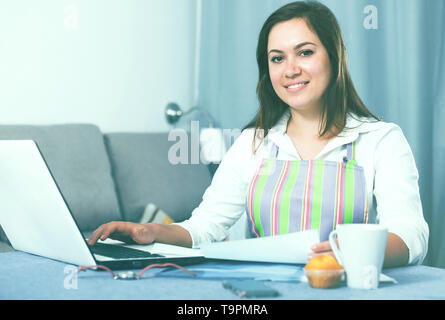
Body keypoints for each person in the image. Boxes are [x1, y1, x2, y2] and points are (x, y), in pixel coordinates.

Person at [88, 1, 428, 267]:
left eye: (305, 52)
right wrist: (149, 231)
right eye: (277, 58)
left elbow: (410, 235)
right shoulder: (253, 143)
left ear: (335, 57)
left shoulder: (380, 140)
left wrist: (352, 253)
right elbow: (205, 226)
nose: (291, 69)